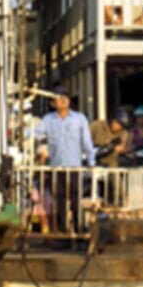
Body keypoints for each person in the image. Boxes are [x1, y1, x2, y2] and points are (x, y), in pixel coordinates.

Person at [36, 91, 93, 234]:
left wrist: (91, 162)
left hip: (75, 166)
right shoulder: (48, 120)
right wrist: (41, 148)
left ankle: (80, 230)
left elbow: (86, 142)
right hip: (57, 167)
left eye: (65, 97)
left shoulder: (79, 119)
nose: (62, 100)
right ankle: (62, 232)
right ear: (53, 103)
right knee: (59, 199)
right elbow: (36, 134)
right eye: (58, 98)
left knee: (76, 197)